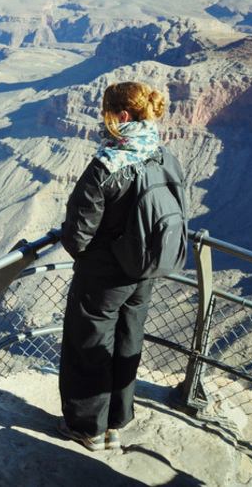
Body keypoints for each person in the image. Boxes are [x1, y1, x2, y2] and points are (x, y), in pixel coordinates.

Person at [57, 80, 185, 451]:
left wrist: (89, 254)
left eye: (107, 113)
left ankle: (87, 428)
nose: (104, 120)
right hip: (144, 269)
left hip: (104, 275)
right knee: (129, 339)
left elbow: (77, 233)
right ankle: (117, 422)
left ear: (122, 116)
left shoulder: (108, 164)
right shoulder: (161, 154)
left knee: (90, 346)